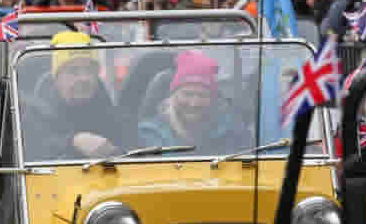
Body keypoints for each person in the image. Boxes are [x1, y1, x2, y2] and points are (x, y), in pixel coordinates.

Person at [22, 31, 127, 160]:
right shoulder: (35, 115)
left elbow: (132, 151)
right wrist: (73, 141)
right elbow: (36, 149)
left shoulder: (112, 115)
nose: (84, 78)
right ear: (57, 79)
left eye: (89, 70)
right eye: (73, 71)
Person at [138, 50, 250, 153]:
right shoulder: (150, 133)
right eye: (187, 94)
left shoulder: (231, 129)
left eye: (202, 95)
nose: (194, 103)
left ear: (213, 99)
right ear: (173, 95)